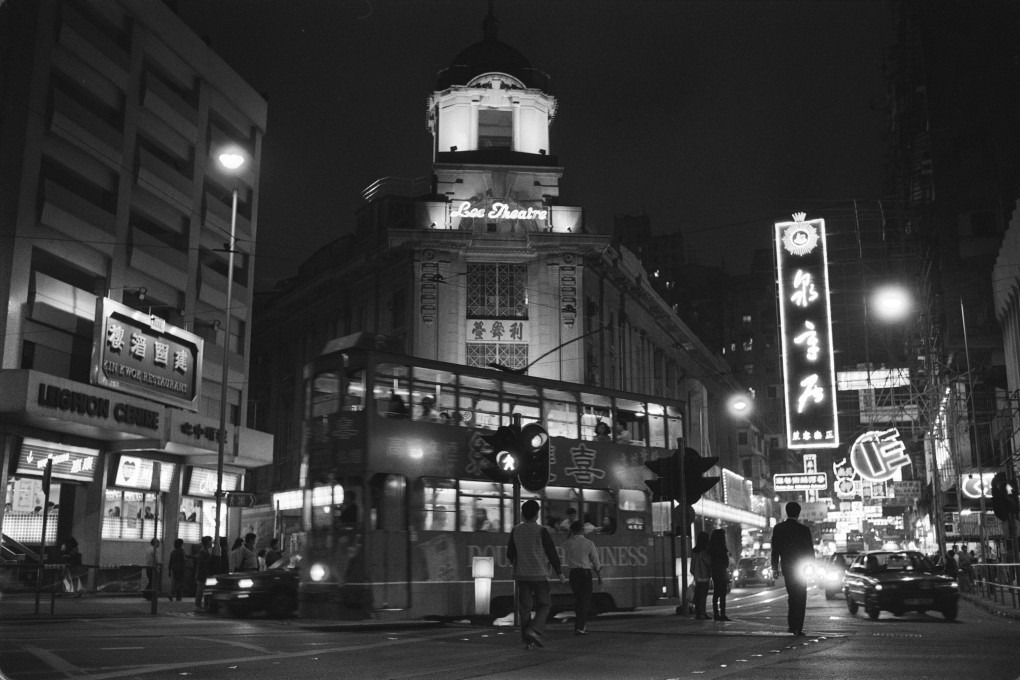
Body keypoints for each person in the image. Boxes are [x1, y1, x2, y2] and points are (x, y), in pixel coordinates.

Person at [507, 499, 565, 648]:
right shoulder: (541, 530)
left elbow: (509, 553)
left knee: (525, 608)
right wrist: (559, 572)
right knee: (545, 604)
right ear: (537, 514)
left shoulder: (516, 530)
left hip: (521, 575)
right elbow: (551, 552)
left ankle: (528, 642)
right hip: (539, 574)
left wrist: (519, 564)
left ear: (522, 514)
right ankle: (534, 630)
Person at [770, 501, 814, 636]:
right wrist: (812, 567)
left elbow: (775, 550)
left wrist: (774, 568)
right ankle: (798, 627)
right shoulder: (804, 530)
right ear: (798, 513)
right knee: (801, 595)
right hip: (802, 567)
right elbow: (810, 551)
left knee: (792, 595)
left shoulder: (778, 528)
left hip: (787, 567)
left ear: (787, 512)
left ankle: (791, 624)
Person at [561, 520, 603, 635]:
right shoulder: (589, 543)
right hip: (585, 574)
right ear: (582, 530)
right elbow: (596, 562)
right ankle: (580, 627)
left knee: (578, 600)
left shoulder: (569, 543)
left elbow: (563, 544)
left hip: (573, 574)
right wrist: (599, 576)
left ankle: (578, 626)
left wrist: (570, 534)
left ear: (572, 530)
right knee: (584, 601)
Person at [709, 529, 731, 621]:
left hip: (715, 572)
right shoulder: (722, 548)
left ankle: (716, 614)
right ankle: (722, 614)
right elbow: (726, 562)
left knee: (716, 593)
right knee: (722, 593)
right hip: (722, 571)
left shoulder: (712, 548)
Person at [691, 531, 712, 620]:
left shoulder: (695, 552)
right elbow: (709, 562)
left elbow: (692, 567)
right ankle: (703, 612)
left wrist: (694, 573)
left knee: (698, 595)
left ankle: (698, 613)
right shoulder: (705, 552)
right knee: (703, 596)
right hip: (704, 577)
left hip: (697, 577)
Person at [194, 535, 213, 608]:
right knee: (201, 589)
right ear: (207, 542)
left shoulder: (206, 550)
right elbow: (202, 562)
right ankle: (198, 604)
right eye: (210, 541)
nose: (211, 542)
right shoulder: (203, 551)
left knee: (203, 589)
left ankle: (203, 604)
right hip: (203, 573)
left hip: (204, 572)